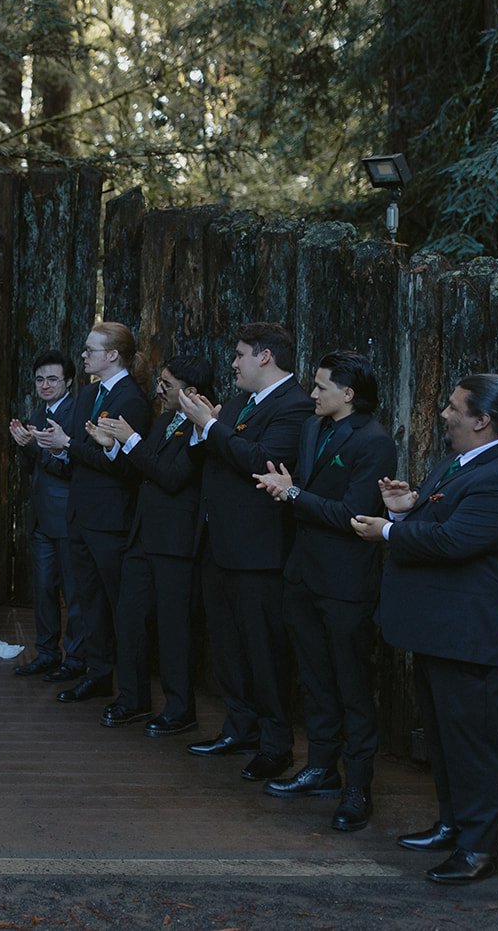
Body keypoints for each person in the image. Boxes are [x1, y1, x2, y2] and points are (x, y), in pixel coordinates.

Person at [355, 373, 498, 884]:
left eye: (453, 406)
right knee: (445, 739)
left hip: (479, 638)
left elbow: (455, 543)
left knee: (475, 747)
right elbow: (444, 519)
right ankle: (454, 825)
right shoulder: (467, 461)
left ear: (482, 420)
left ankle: (480, 850)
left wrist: (389, 529)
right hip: (446, 632)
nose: (443, 413)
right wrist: (410, 505)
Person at [253, 351, 396, 831]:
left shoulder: (374, 441)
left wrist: (293, 494)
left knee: (351, 684)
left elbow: (355, 515)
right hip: (303, 575)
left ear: (349, 395)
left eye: (321, 387)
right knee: (314, 679)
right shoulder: (313, 428)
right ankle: (320, 767)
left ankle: (357, 786)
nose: (312, 394)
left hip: (346, 584)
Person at [179, 322, 312, 782]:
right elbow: (213, 456)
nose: (232, 363)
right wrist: (206, 431)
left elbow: (262, 463)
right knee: (227, 645)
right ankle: (240, 725)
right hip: (218, 543)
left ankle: (276, 743)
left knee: (264, 649)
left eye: (238, 355)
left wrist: (211, 427)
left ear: (264, 356)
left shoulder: (295, 406)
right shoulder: (238, 403)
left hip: (260, 552)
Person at [91, 355, 211, 735]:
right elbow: (143, 467)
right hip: (143, 535)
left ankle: (180, 709)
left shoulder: (200, 428)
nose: (158, 390)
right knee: (129, 618)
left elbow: (174, 477)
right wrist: (113, 446)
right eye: (159, 382)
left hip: (176, 542)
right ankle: (133, 698)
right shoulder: (162, 420)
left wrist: (131, 440)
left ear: (191, 392)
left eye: (167, 385)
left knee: (174, 629)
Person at [34, 322, 151, 704]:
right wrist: (58, 448)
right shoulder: (87, 396)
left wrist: (72, 445)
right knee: (89, 602)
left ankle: (132, 691)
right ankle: (98, 674)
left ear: (113, 355)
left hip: (112, 520)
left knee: (121, 608)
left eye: (90, 350)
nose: (83, 356)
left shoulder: (132, 400)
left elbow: (131, 469)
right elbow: (83, 456)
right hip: (80, 516)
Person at [8, 350, 80, 678]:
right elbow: (32, 468)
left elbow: (71, 469)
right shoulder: (37, 414)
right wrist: (24, 444)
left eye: (52, 378)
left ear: (67, 381)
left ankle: (76, 658)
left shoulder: (76, 413)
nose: (45, 384)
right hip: (40, 518)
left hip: (68, 516)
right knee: (43, 590)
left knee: (74, 593)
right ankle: (47, 652)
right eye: (40, 379)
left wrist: (34, 448)